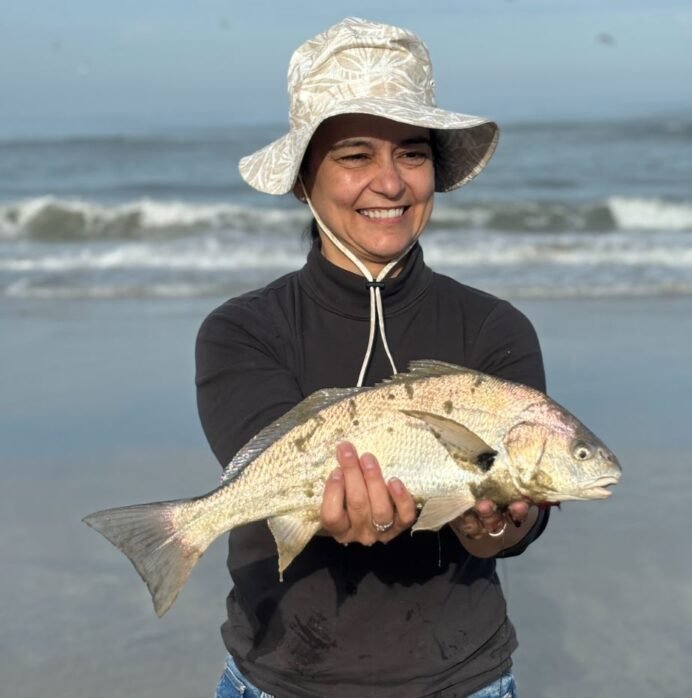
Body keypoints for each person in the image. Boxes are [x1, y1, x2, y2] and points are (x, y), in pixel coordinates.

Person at [196, 17, 548, 698]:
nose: (390, 182)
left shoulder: (495, 329)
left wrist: (498, 523)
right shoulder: (241, 331)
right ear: (304, 180)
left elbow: (510, 531)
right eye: (356, 155)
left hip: (462, 680)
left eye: (412, 154)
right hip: (279, 680)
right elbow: (266, 478)